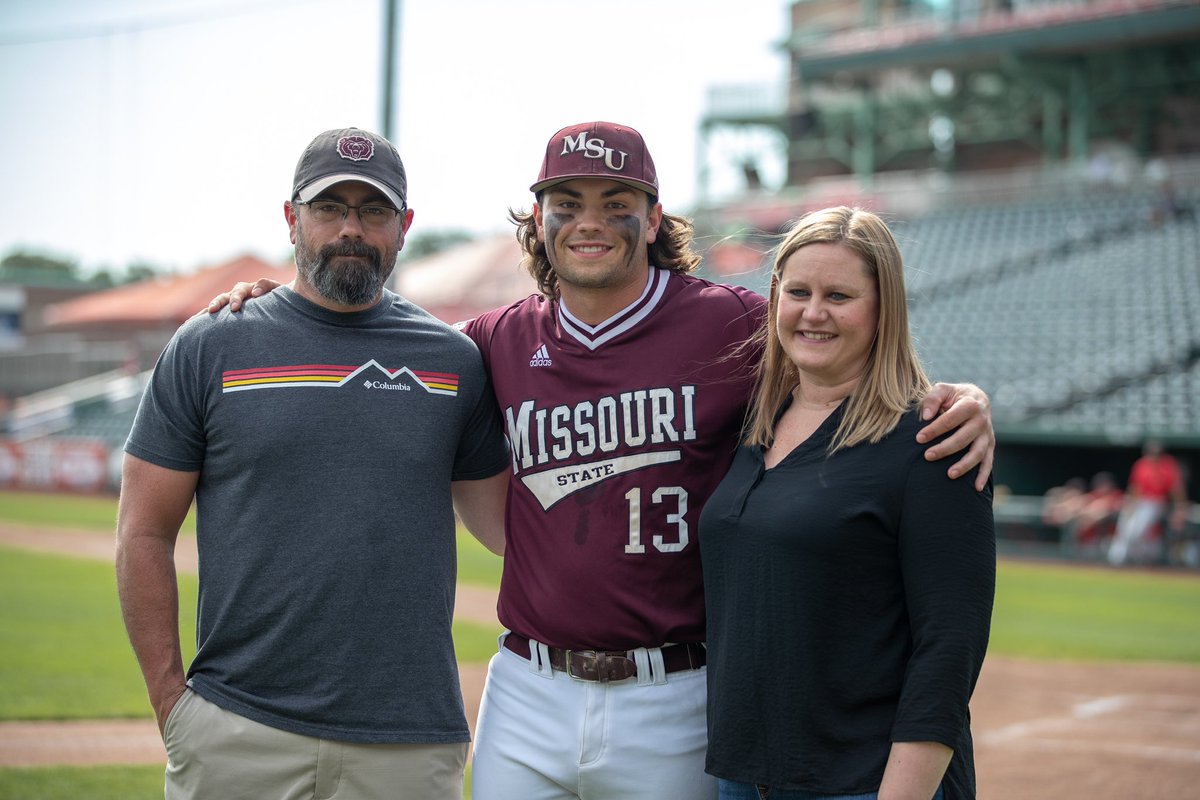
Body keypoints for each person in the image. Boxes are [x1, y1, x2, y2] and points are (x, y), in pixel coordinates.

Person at [210, 121, 996, 800]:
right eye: (568, 205)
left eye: (617, 205)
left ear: (653, 218)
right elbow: (370, 335)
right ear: (541, 220)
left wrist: (959, 398)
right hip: (528, 683)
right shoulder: (491, 342)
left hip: (679, 684)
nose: (592, 223)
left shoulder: (737, 325)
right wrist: (272, 307)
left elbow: (840, 350)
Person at [116, 127, 510, 799]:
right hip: (238, 732)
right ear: (291, 218)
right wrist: (173, 708)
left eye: (374, 211)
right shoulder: (210, 346)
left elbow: (507, 531)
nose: (350, 228)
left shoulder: (455, 362)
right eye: (330, 208)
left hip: (409, 742)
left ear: (405, 225)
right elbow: (142, 533)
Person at [699, 206, 996, 800]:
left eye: (840, 295)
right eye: (798, 292)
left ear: (884, 308)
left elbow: (949, 648)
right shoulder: (750, 425)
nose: (814, 313)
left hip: (860, 781)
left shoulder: (932, 439)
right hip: (740, 775)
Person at [1108, 440, 1190, 566]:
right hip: (1140, 501)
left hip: (1157, 501)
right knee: (1125, 525)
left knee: (1138, 529)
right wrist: (1130, 504)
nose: (1153, 455)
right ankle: (1117, 558)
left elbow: (1176, 488)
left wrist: (1180, 507)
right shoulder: (1141, 464)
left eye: (1156, 452)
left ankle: (1134, 558)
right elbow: (1134, 487)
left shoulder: (1167, 464)